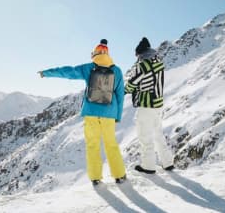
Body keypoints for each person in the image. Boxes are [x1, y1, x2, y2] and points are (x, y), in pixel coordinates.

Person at [38, 39, 127, 185]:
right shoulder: (116, 70)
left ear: (95, 53)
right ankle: (119, 175)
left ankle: (95, 178)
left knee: (92, 145)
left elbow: (68, 72)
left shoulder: (89, 68)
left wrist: (46, 73)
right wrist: (117, 116)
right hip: (109, 114)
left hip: (91, 112)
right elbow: (120, 95)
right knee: (111, 144)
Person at [125, 37, 175, 174]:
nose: (137, 58)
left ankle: (148, 166)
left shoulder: (143, 65)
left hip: (146, 105)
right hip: (157, 104)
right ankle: (167, 162)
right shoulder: (159, 63)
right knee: (158, 134)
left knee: (144, 136)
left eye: (137, 55)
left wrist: (123, 91)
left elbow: (132, 84)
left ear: (141, 53)